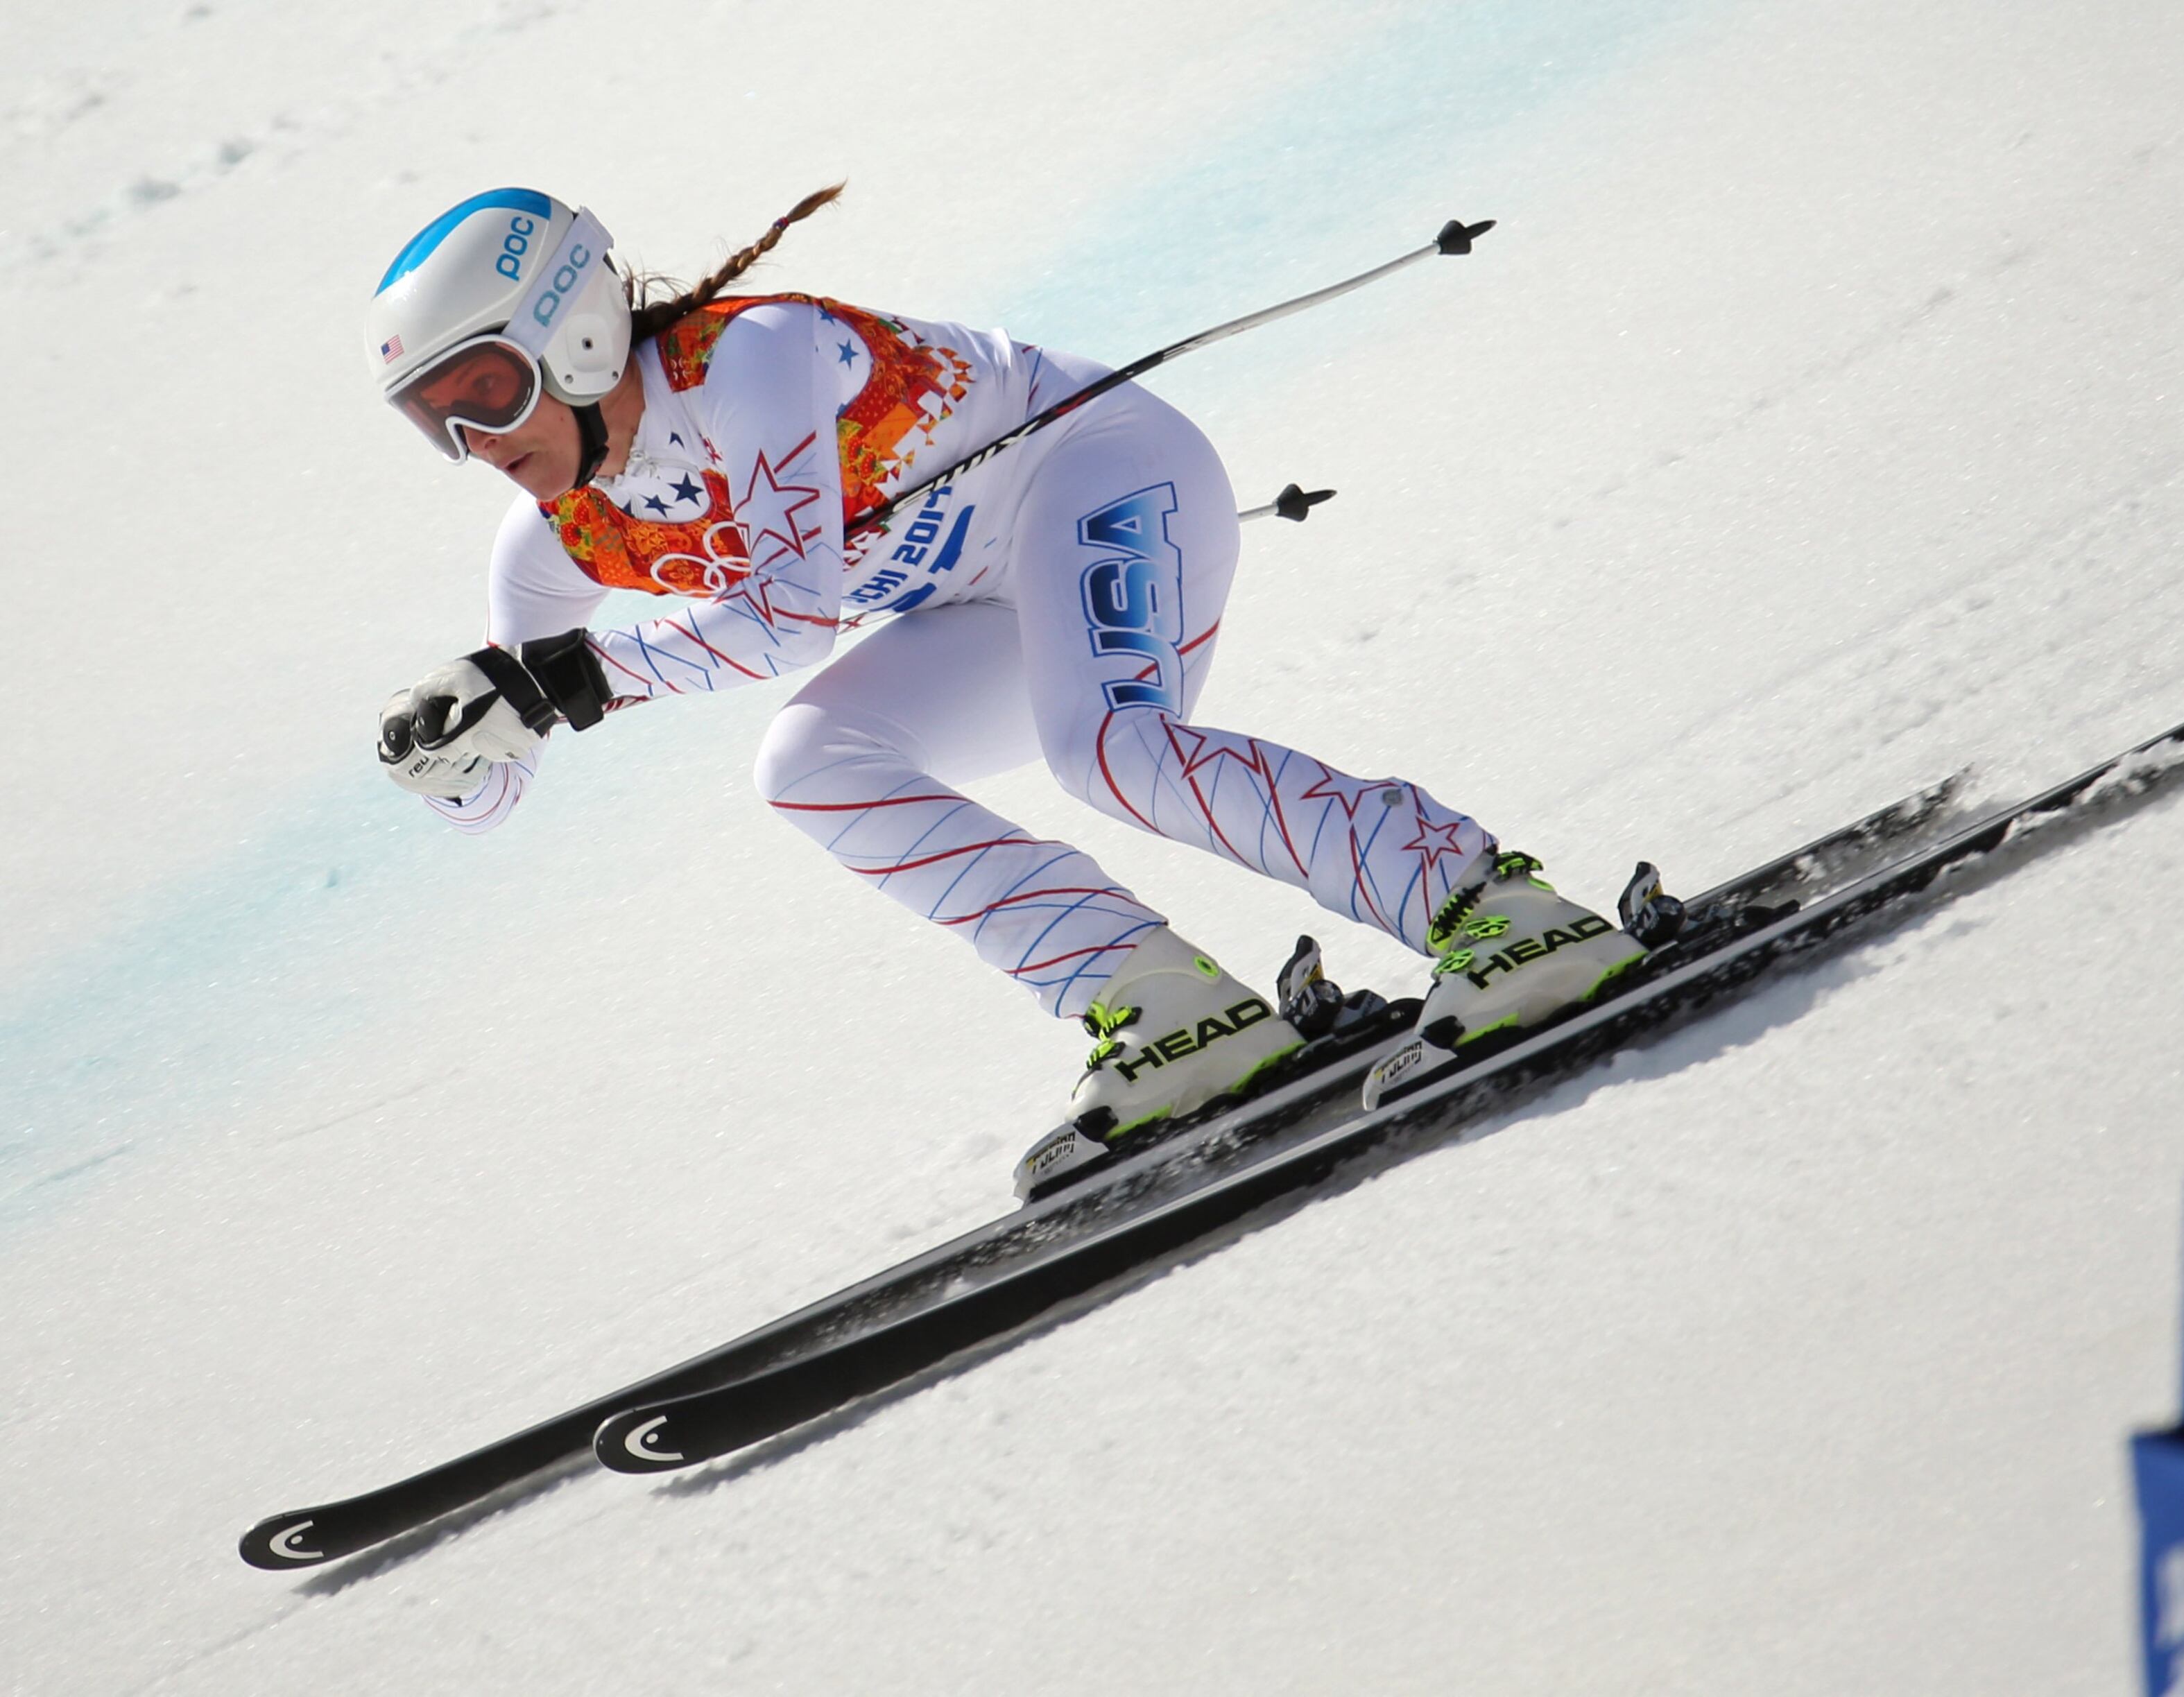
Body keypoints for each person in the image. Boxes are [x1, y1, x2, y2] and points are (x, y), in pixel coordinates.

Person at [368, 184, 1645, 1144]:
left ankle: (1497, 914)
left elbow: (791, 620)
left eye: (484, 386)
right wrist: (456, 756)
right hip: (984, 598)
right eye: (438, 419)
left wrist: (572, 685)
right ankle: (1158, 1002)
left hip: (1104, 471)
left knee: (1114, 752)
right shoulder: (547, 547)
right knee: (810, 764)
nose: (474, 437)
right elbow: (500, 790)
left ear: (576, 333)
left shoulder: (749, 358)